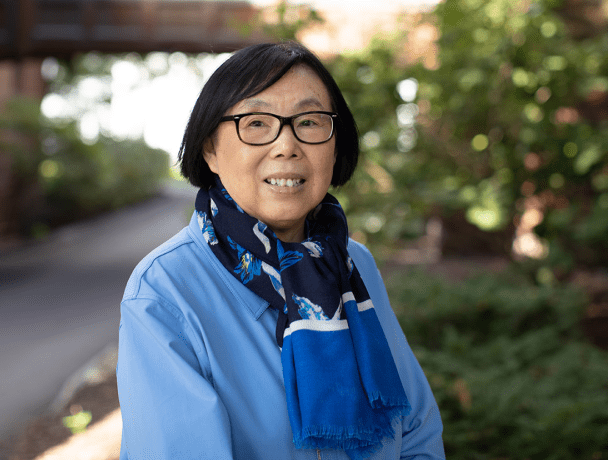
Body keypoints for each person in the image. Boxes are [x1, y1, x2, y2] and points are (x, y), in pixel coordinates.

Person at [116, 42, 445, 460]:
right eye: (255, 123)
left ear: (334, 144)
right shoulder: (166, 291)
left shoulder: (353, 265)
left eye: (308, 122)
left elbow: (416, 432)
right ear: (209, 149)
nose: (286, 145)